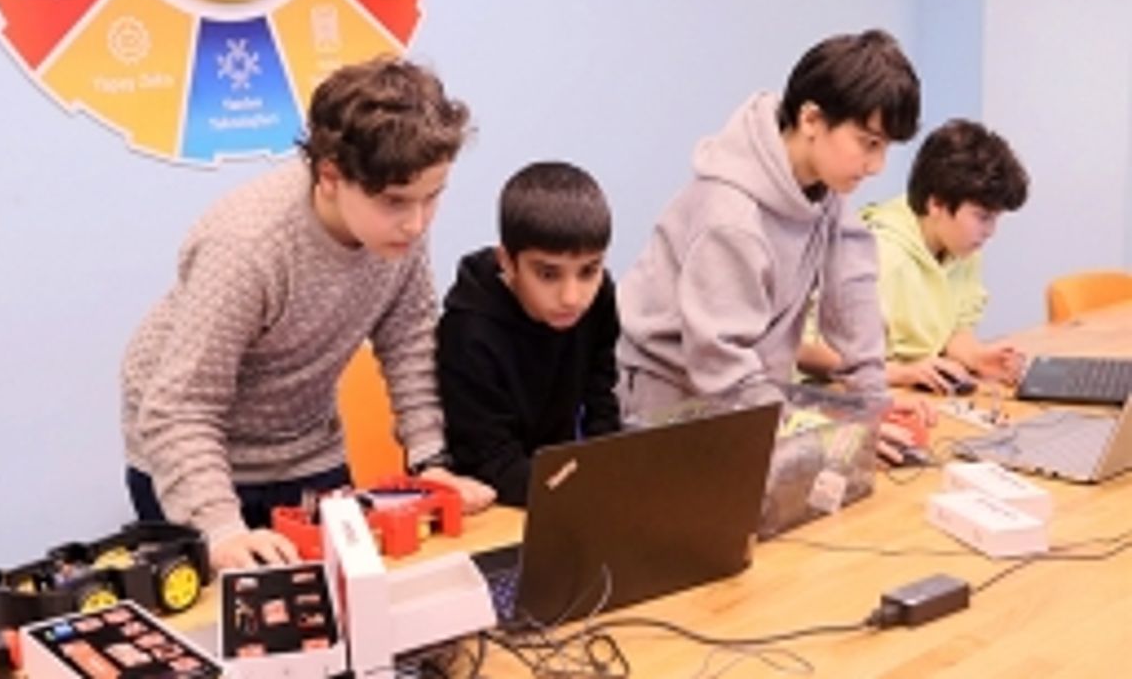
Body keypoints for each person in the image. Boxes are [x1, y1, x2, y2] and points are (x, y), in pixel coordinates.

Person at [121, 57, 495, 571]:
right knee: (237, 607)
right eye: (396, 201)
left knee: (344, 593)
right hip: (192, 456)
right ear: (330, 176)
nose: (416, 223)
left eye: (432, 198)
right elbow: (180, 408)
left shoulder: (399, 229)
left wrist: (430, 460)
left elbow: (408, 336)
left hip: (306, 447)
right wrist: (220, 530)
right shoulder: (246, 247)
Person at [616, 29, 921, 418]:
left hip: (749, 396)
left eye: (886, 147)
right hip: (672, 395)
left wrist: (873, 404)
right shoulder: (731, 216)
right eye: (869, 143)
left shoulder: (827, 189)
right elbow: (720, 359)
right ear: (811, 119)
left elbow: (851, 291)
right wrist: (801, 431)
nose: (877, 166)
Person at [437, 161, 620, 506]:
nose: (572, 297)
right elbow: (487, 459)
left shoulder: (600, 299)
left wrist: (610, 475)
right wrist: (583, 495)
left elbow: (600, 403)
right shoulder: (468, 332)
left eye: (588, 271)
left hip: (563, 488)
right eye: (548, 274)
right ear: (507, 262)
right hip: (486, 503)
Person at [798, 119, 1030, 393]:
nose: (990, 232)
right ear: (937, 204)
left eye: (996, 218)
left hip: (904, 391)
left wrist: (976, 357)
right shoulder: (877, 252)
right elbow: (804, 348)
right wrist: (898, 372)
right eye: (983, 217)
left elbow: (953, 328)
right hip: (835, 395)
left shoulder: (961, 247)